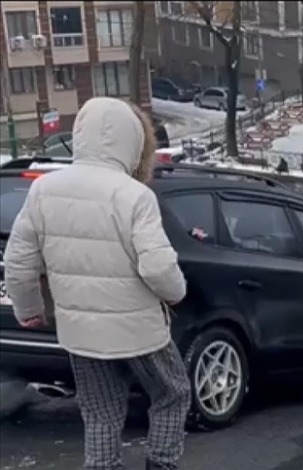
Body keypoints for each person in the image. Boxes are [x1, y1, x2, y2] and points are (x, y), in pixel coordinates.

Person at [4, 97, 191, 470]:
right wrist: (177, 293)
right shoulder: (135, 196)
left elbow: (18, 261)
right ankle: (162, 463)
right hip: (138, 329)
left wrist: (29, 311)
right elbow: (157, 268)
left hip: (82, 332)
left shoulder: (43, 190)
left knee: (100, 409)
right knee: (173, 392)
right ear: (133, 142)